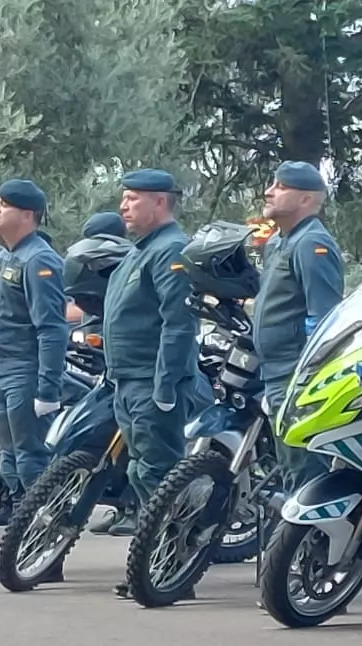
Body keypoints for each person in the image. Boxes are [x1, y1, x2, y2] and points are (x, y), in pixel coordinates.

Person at [104, 169, 209, 596]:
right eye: (124, 198)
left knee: (160, 473)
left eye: (133, 198)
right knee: (142, 473)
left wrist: (166, 386)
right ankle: (155, 562)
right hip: (128, 381)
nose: (123, 206)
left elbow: (177, 324)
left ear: (160, 202)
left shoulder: (170, 251)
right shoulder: (140, 251)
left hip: (151, 382)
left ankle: (173, 568)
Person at [252, 161, 346, 491]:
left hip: (295, 375)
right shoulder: (279, 242)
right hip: (274, 372)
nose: (269, 191)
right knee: (290, 467)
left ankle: (306, 543)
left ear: (306, 200)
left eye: (280, 187)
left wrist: (308, 377)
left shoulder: (312, 244)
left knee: (304, 471)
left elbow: (325, 318)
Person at [0, 179, 70, 510]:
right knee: (8, 458)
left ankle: (45, 530)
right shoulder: (6, 258)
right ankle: (24, 526)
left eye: (4, 205)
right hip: (2, 370)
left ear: (27, 215)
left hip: (25, 369)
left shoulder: (40, 260)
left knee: (31, 458)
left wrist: (48, 388)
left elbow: (51, 327)